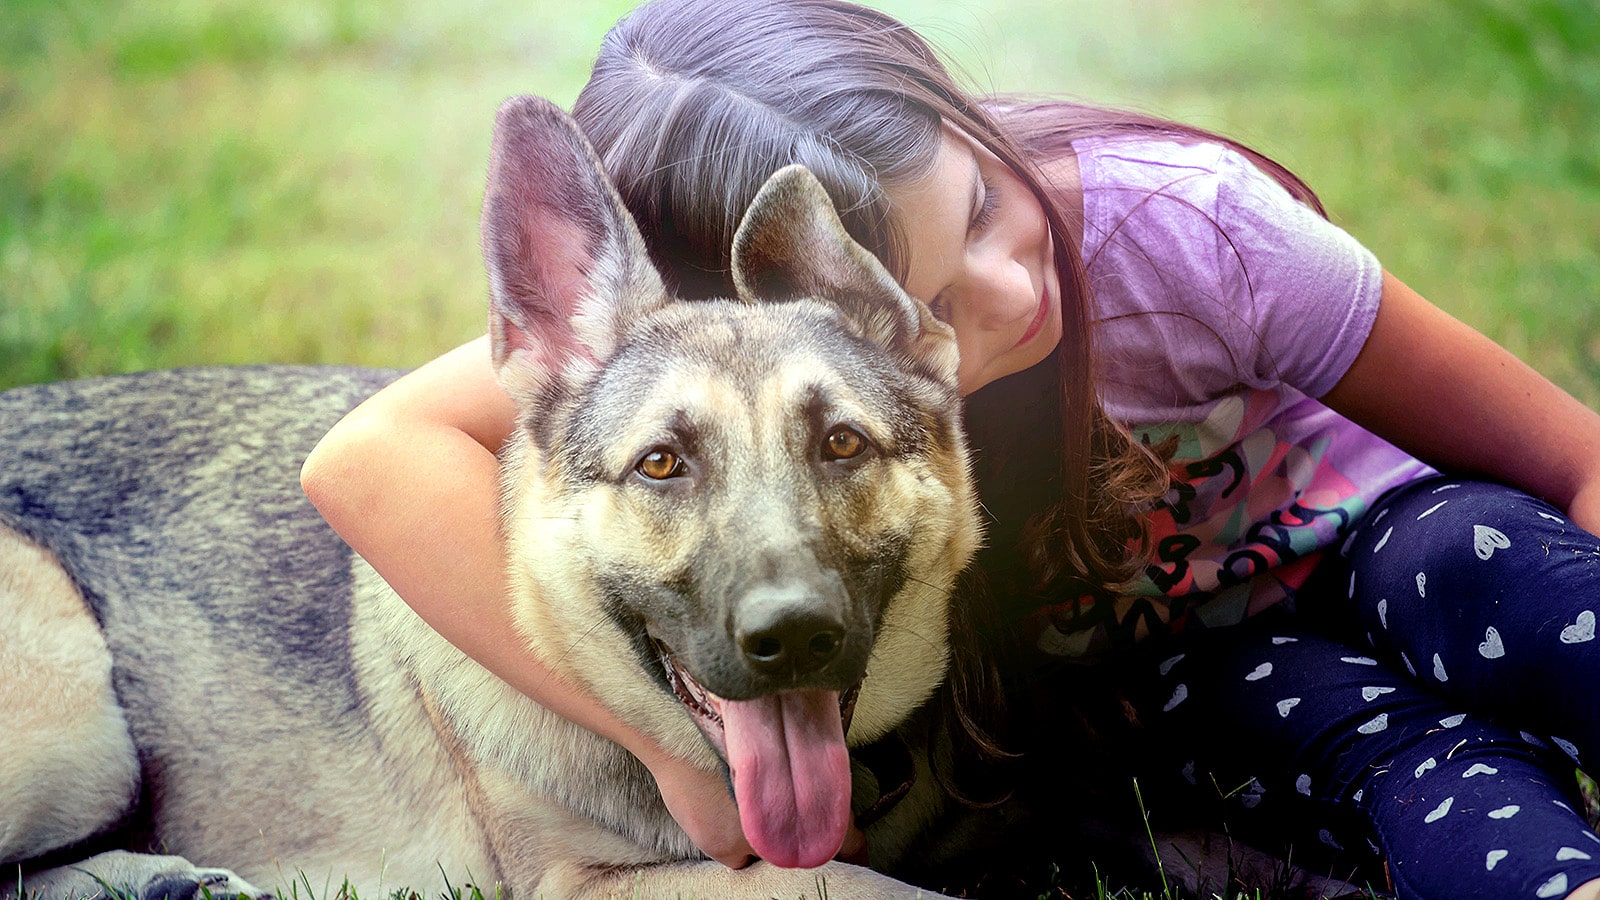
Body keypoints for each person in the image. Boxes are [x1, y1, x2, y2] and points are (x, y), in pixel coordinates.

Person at [299, 1, 1600, 897]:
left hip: (1398, 542)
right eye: (931, 292)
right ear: (761, 295)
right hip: (1202, 661)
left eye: (984, 203)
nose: (1009, 293)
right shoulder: (695, 347)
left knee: (1488, 570)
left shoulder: (1191, 232)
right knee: (1402, 765)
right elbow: (368, 458)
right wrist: (657, 749)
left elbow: (1569, 455)